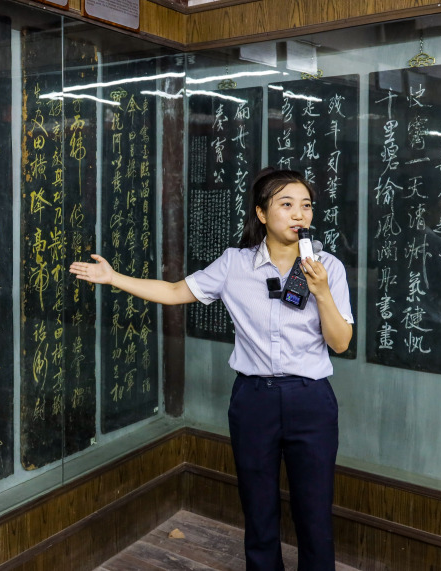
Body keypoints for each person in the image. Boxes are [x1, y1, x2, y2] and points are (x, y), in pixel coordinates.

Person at [70, 167, 353, 571]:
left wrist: (321, 291)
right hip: (254, 399)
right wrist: (113, 277)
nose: (299, 214)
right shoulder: (234, 264)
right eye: (286, 204)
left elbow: (340, 342)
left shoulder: (328, 267)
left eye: (305, 206)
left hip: (311, 400)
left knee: (314, 510)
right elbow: (173, 292)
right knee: (258, 507)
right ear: (261, 213)